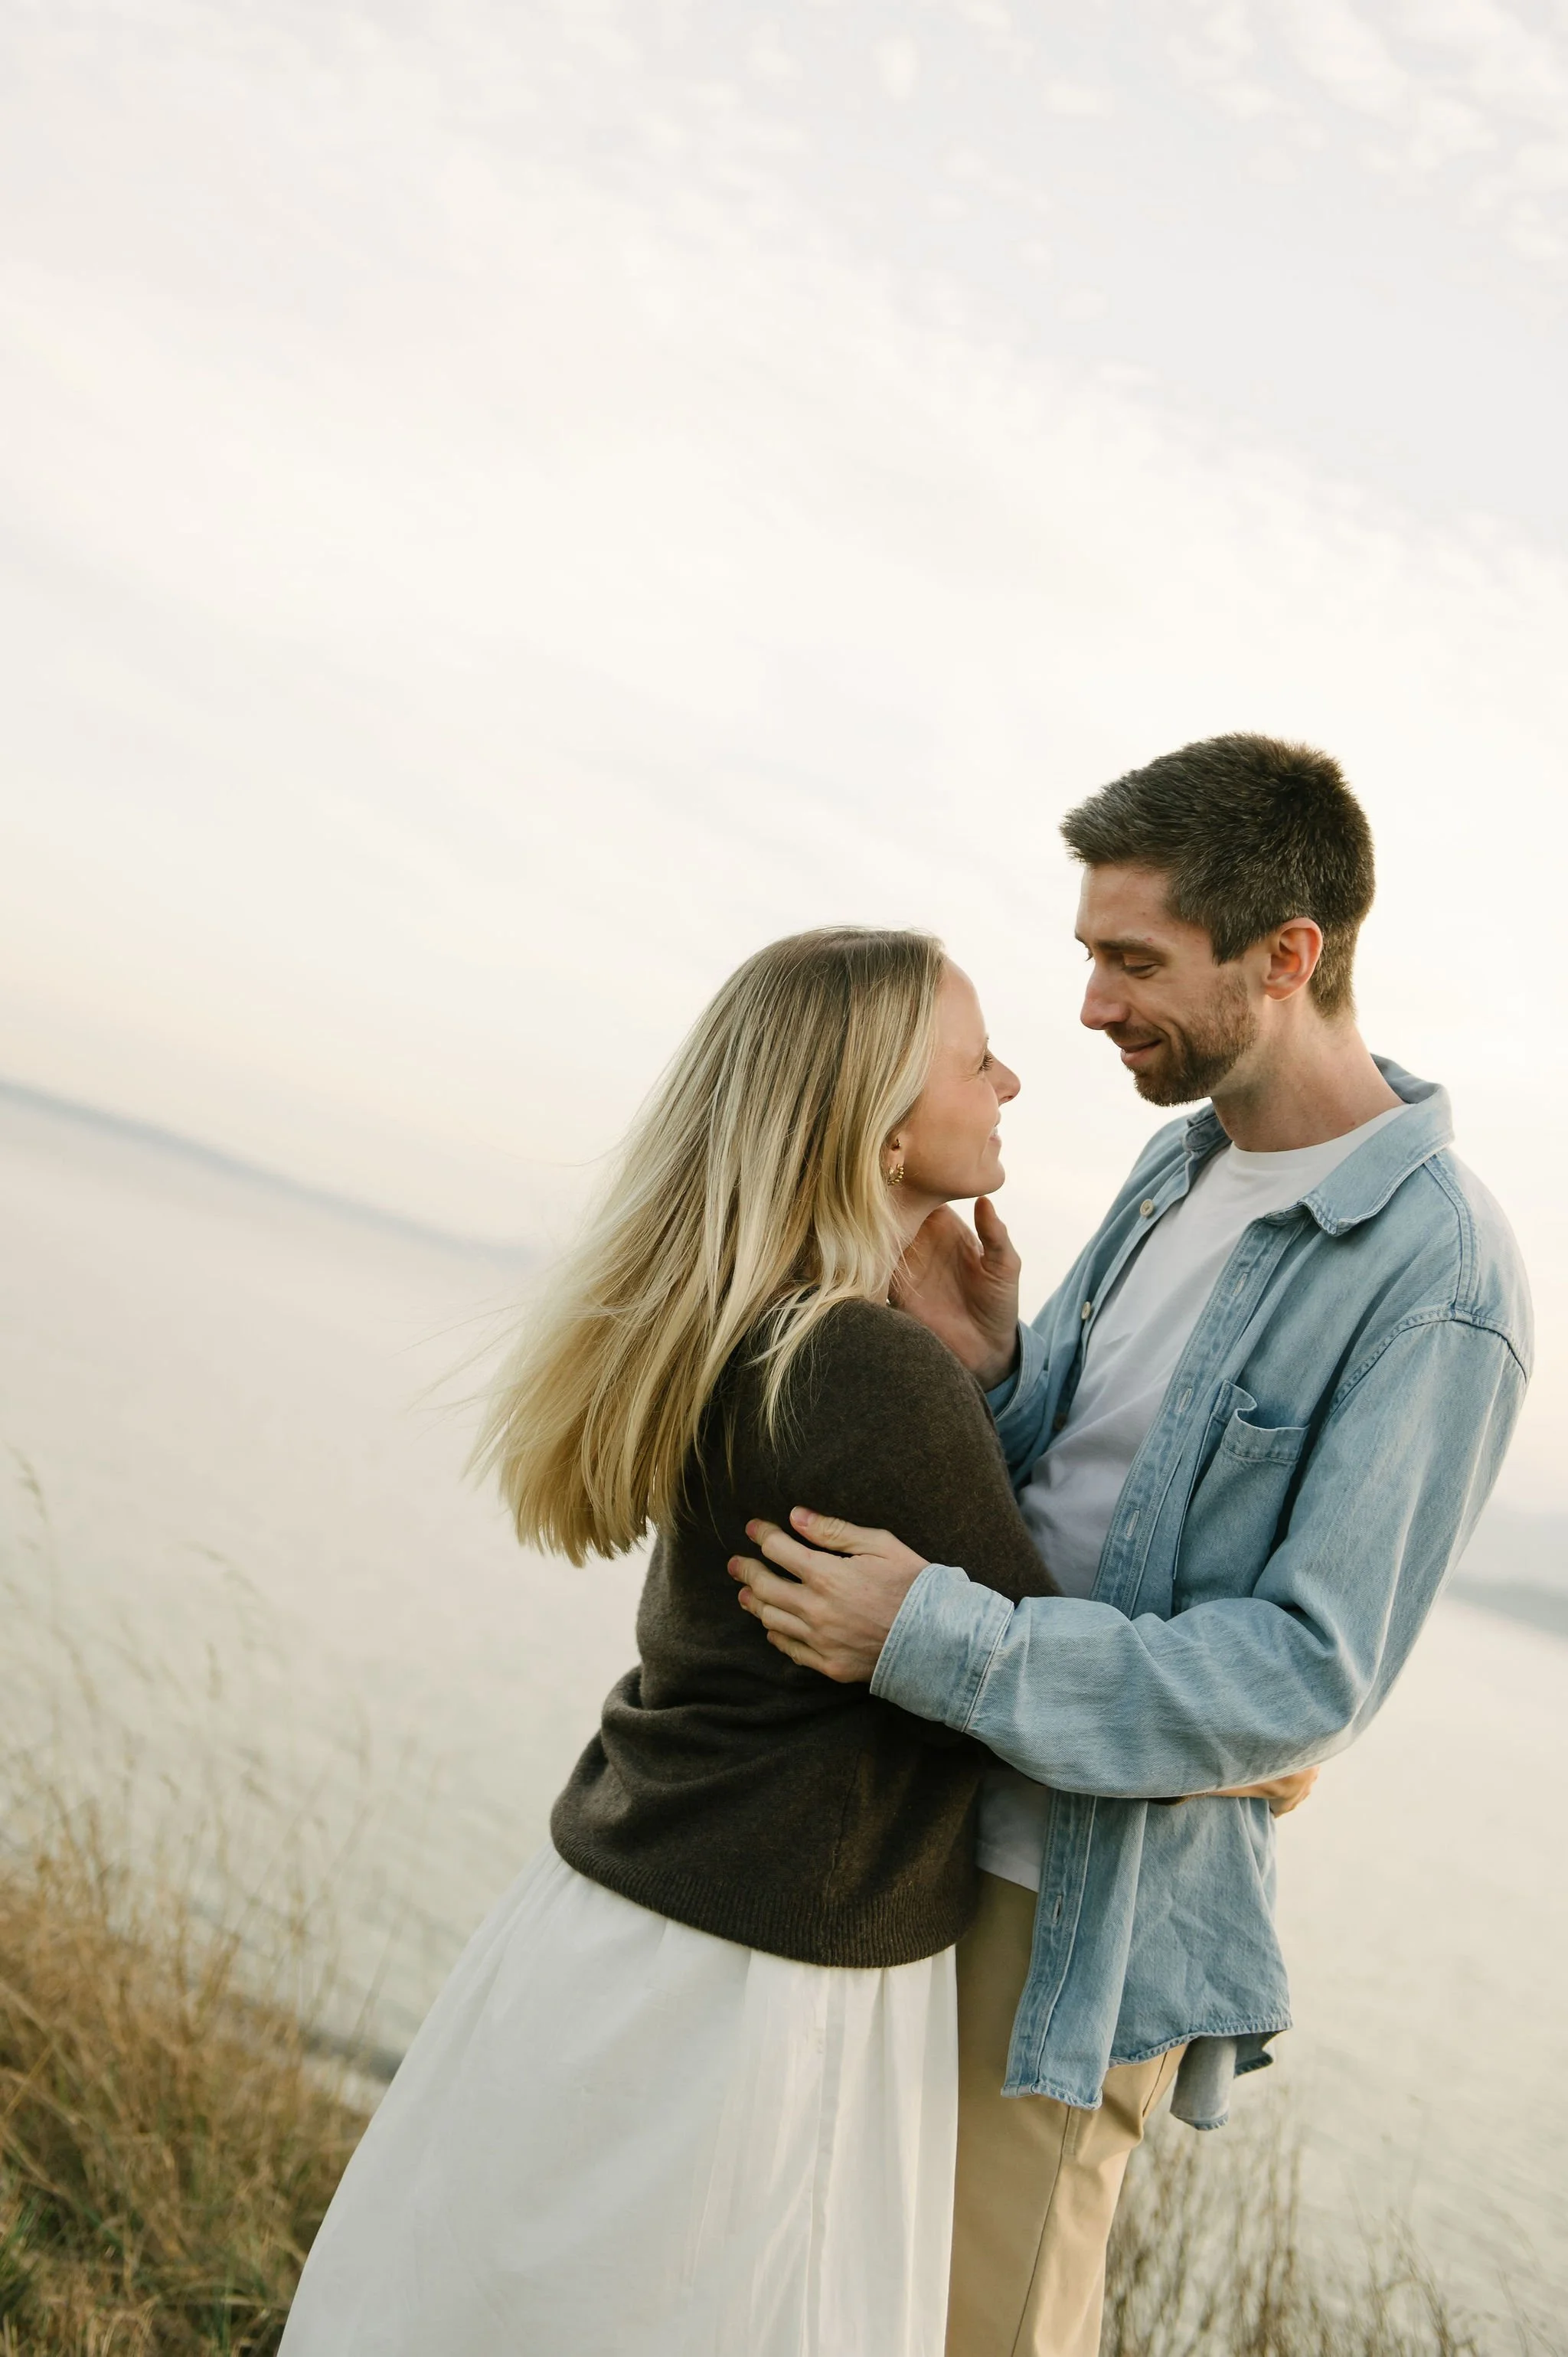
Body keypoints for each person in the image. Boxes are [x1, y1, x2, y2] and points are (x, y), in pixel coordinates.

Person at [287, 926, 1276, 2357]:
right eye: (973, 1055)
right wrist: (1264, 1752)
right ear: (882, 1126)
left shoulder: (768, 1331)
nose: (1010, 1078)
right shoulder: (863, 1370)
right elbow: (1063, 1676)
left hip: (621, 1917)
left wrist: (985, 1374)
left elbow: (974, 1606)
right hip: (766, 1986)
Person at [730, 734, 1531, 2357]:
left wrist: (925, 1638)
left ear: (1285, 958)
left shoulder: (1438, 1274)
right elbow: (1089, 1506)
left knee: (985, 2327)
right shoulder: (1183, 1167)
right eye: (1090, 954)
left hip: (1072, 1907)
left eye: (1131, 960)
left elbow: (1305, 1675)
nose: (1089, 1004)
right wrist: (998, 1372)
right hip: (924, 1830)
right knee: (830, 2300)